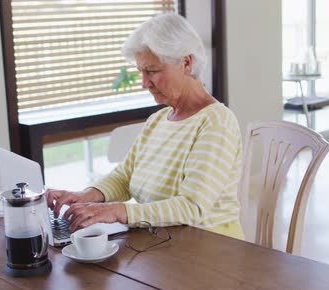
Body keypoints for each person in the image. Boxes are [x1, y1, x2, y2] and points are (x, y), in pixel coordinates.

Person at [47, 13, 244, 239]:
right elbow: (124, 177)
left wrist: (119, 211)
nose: (144, 83)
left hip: (208, 250)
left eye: (152, 71)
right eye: (141, 72)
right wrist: (85, 196)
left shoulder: (216, 122)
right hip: (161, 243)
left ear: (186, 63)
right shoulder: (158, 120)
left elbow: (192, 207)